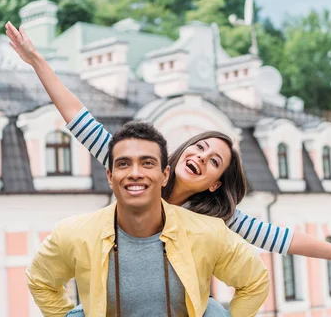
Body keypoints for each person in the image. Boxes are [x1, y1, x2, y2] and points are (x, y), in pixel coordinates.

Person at [6, 21, 331, 313]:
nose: (201, 158)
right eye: (199, 147)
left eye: (214, 162)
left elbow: (283, 239)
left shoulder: (215, 219)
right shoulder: (136, 167)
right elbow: (76, 115)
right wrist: (35, 60)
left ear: (214, 183)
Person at [27, 121, 270, 317]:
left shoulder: (208, 231)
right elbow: (40, 281)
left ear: (164, 174)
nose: (135, 173)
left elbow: (255, 281)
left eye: (147, 163)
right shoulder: (73, 233)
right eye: (124, 164)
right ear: (110, 176)